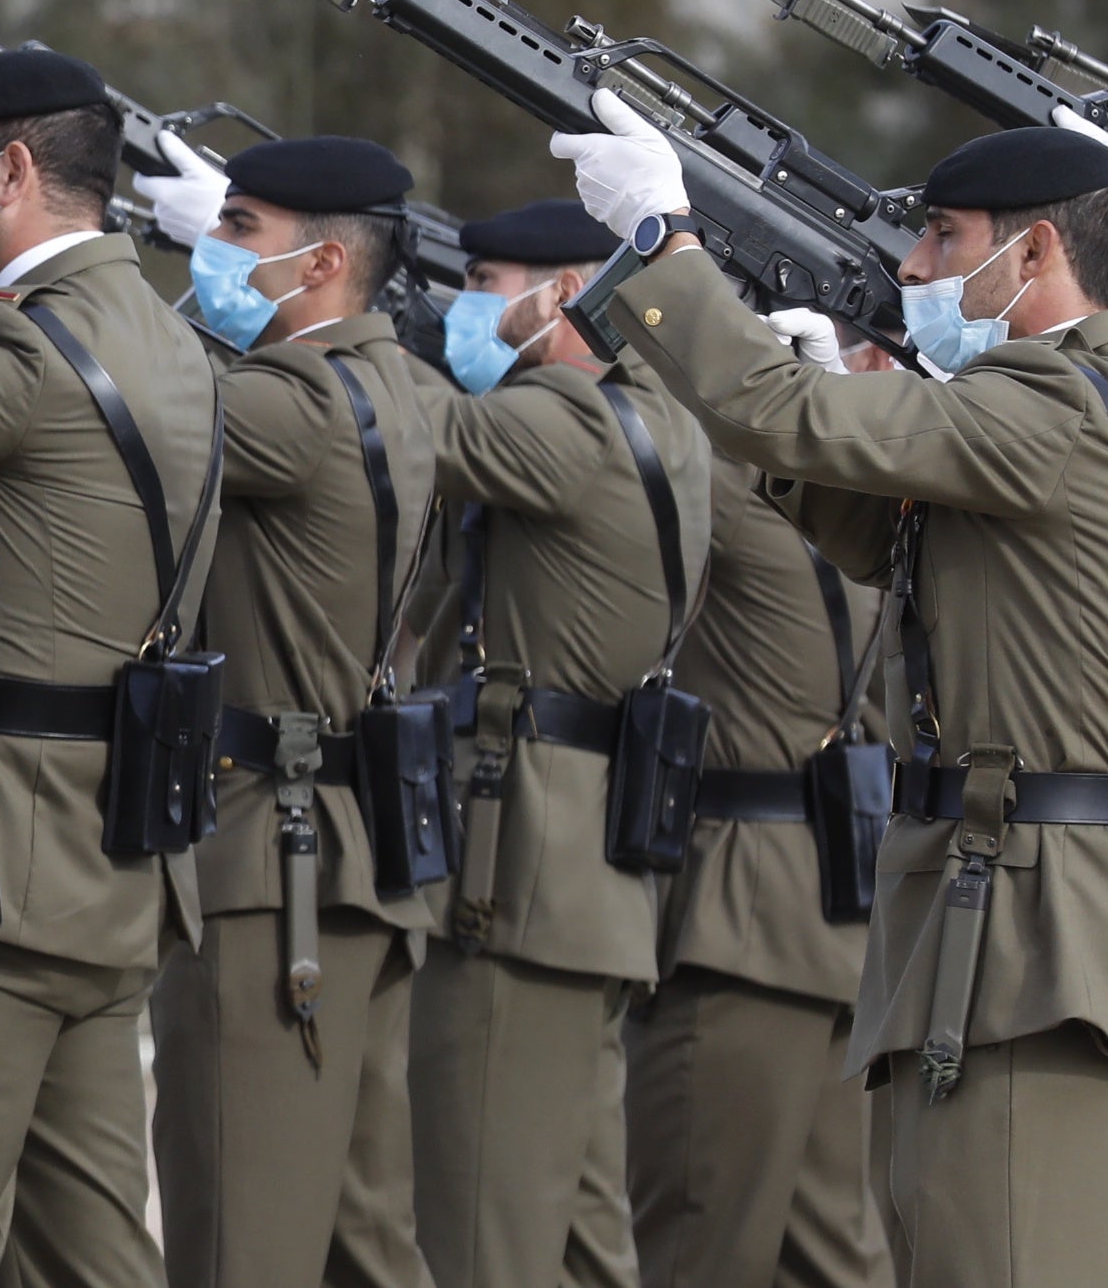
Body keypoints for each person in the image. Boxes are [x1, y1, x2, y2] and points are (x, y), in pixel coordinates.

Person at [549, 106, 1108, 1282]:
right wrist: (785, 390)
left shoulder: (1051, 408)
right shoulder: (1034, 416)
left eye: (944, 240)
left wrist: (665, 242)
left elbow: (787, 418)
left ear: (1038, 254)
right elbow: (862, 516)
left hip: (1028, 941)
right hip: (975, 923)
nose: (912, 268)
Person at [0, 47, 221, 1288]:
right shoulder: (173, 338)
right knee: (90, 1246)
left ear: (9, 167)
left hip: (3, 866)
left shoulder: (18, 346)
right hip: (109, 863)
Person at [123, 137, 435, 1288]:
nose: (211, 251)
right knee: (360, 1237)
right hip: (351, 852)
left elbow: (127, 395)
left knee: (234, 1238)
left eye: (238, 229)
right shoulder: (394, 383)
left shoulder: (292, 406)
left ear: (320, 263)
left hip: (270, 865)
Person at [407, 195, 711, 1288]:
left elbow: (411, 430)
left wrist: (319, 315)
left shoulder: (565, 419)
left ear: (564, 294)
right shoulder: (660, 421)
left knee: (479, 1228)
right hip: (585, 877)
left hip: (519, 869)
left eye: (481, 283)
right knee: (581, 1236)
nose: (459, 307)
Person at [625, 448, 888, 1288]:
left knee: (692, 1246)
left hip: (740, 923)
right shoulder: (869, 508)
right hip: (839, 918)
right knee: (831, 1250)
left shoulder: (732, 496)